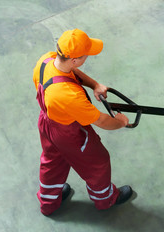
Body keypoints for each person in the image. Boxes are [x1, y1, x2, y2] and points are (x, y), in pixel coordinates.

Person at [32, 28, 133, 216]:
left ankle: (48, 201)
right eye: (86, 55)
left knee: (53, 161)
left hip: (47, 124)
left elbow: (72, 73)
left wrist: (95, 85)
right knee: (98, 162)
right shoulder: (69, 96)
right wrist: (120, 122)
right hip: (69, 133)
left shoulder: (46, 60)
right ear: (74, 59)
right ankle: (106, 199)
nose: (87, 57)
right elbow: (102, 121)